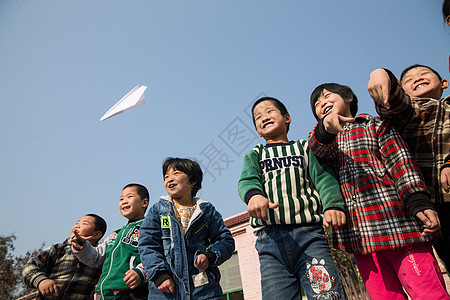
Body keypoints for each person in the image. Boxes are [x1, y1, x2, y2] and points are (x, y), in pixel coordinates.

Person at [309, 82, 449, 299]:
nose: (322, 103)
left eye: (327, 96)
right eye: (317, 105)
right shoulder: (324, 143)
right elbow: (317, 146)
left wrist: (418, 201)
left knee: (427, 291)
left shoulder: (375, 125)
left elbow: (401, 163)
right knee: (384, 296)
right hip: (358, 238)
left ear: (349, 98)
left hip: (398, 225)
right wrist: (325, 129)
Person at [238, 96, 348, 300]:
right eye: (257, 117)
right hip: (270, 242)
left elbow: (323, 178)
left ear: (287, 117)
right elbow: (247, 180)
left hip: (310, 235)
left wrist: (333, 206)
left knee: (327, 294)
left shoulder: (305, 149)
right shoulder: (255, 154)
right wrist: (254, 196)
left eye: (270, 111)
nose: (264, 117)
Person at [368, 65, 450, 272]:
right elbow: (392, 102)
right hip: (432, 204)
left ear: (444, 83)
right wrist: (381, 74)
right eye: (409, 79)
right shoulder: (408, 113)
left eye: (424, 74)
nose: (417, 78)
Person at [138, 157, 235, 300]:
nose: (170, 179)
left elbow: (226, 240)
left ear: (193, 180)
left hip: (203, 290)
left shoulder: (206, 211)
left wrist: (210, 256)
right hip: (166, 292)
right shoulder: (158, 210)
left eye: (176, 173)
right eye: (166, 176)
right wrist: (160, 275)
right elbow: (147, 244)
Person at [72, 183, 149, 300]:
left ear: (144, 203)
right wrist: (81, 245)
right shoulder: (115, 234)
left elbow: (156, 254)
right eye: (121, 199)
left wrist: (141, 272)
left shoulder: (148, 227)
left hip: (129, 292)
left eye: (129, 197)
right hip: (104, 293)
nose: (124, 201)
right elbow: (95, 257)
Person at [22, 213, 107, 299]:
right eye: (77, 223)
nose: (77, 226)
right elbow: (30, 267)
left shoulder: (101, 258)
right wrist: (41, 280)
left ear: (96, 235)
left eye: (84, 224)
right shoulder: (59, 249)